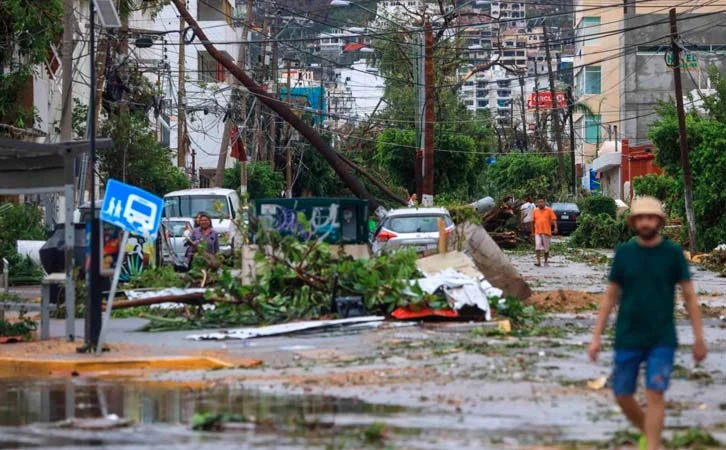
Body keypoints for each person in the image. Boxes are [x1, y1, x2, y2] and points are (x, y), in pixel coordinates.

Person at [588, 197, 707, 450]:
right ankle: (651, 432)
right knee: (622, 394)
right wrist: (596, 337)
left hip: (661, 338)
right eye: (640, 218)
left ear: (659, 221)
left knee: (655, 393)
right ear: (634, 222)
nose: (645, 222)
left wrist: (699, 338)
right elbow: (610, 297)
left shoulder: (673, 254)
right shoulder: (624, 254)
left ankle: (652, 445)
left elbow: (689, 297)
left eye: (650, 217)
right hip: (627, 336)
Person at [531, 197, 557, 266]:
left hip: (546, 232)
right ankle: (538, 261)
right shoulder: (535, 210)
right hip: (537, 232)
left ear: (544, 202)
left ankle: (545, 261)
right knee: (537, 246)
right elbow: (533, 222)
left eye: (541, 202)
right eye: (539, 202)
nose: (540, 203)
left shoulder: (549, 210)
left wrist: (555, 228)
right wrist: (532, 232)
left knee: (546, 248)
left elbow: (554, 219)